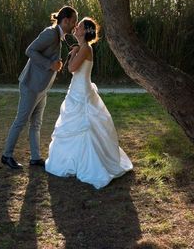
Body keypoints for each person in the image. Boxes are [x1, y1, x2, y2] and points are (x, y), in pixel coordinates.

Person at [45, 17, 133, 189]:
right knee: (76, 127)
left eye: (79, 26)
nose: (76, 28)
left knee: (85, 127)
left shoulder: (85, 48)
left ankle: (89, 164)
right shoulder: (83, 48)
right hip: (78, 90)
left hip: (82, 94)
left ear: (85, 31)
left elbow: (71, 69)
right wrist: (76, 50)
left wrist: (72, 54)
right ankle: (75, 160)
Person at [1, 6, 78, 170]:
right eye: (73, 22)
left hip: (42, 87)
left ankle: (35, 158)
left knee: (36, 123)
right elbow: (30, 50)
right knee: (21, 121)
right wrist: (50, 64)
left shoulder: (60, 36)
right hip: (31, 85)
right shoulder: (50, 33)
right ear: (65, 21)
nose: (75, 25)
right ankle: (6, 155)